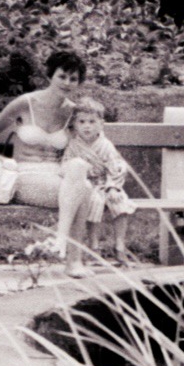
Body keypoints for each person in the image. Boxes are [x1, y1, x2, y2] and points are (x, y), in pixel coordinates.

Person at [0, 50, 105, 278]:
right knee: (83, 190)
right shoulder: (26, 103)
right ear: (50, 75)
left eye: (73, 79)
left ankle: (60, 241)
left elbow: (93, 139)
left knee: (78, 167)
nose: (67, 83)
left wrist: (102, 165)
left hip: (58, 175)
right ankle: (72, 261)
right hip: (25, 175)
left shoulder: (73, 112)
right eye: (62, 76)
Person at [65, 97, 138, 265]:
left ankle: (119, 247)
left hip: (106, 183)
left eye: (92, 121)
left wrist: (113, 187)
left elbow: (115, 166)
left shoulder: (105, 145)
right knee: (94, 203)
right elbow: (67, 166)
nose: (87, 126)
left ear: (101, 124)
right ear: (75, 124)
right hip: (87, 186)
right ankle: (93, 247)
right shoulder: (73, 146)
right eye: (82, 121)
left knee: (121, 204)